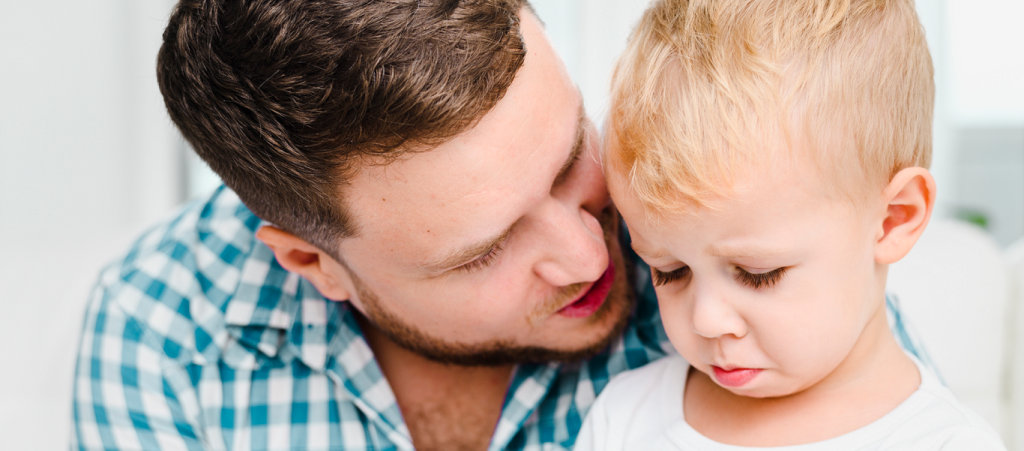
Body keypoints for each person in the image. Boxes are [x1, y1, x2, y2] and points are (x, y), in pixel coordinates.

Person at [70, 1, 923, 450]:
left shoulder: (713, 249)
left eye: (565, 161)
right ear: (311, 260)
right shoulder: (162, 335)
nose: (595, 250)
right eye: (485, 251)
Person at [576, 0, 1006, 449]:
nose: (706, 320)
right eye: (669, 270)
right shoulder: (623, 418)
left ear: (893, 219)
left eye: (758, 274)